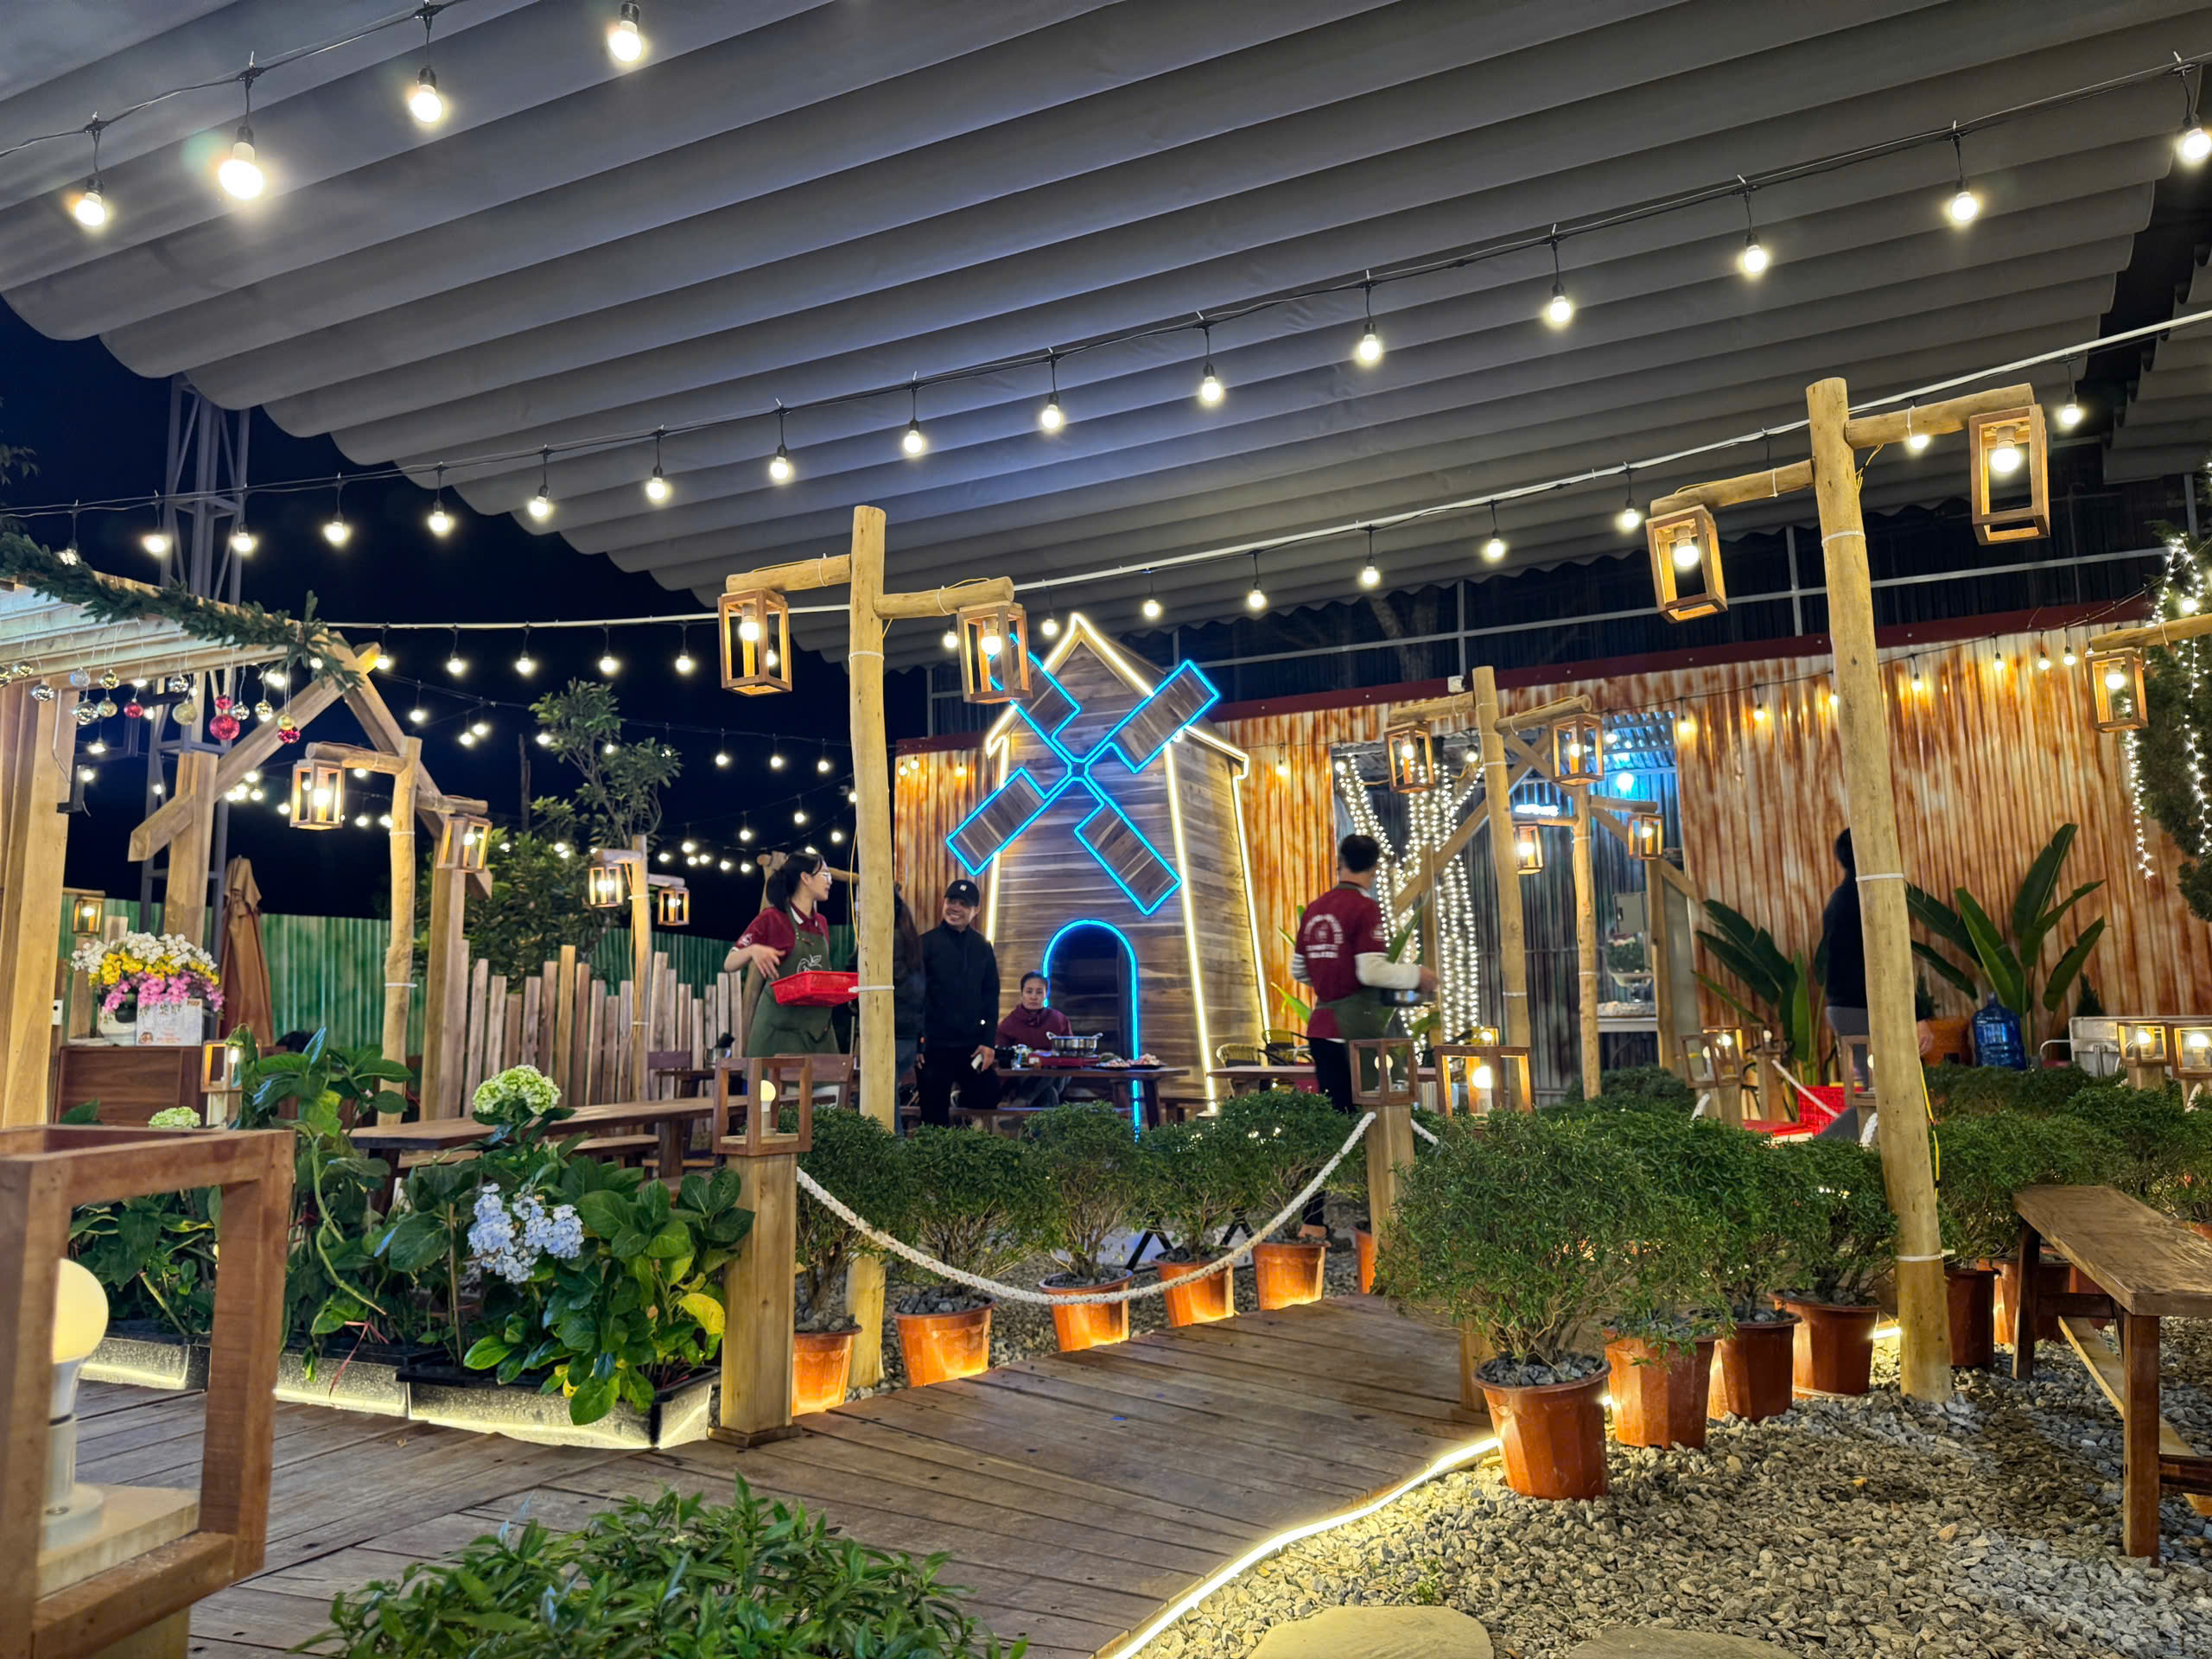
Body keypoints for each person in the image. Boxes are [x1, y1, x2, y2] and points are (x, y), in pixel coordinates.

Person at [1291, 834, 1436, 1230]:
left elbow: (1299, 970)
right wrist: (1417, 975)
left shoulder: (1316, 909)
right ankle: (1381, 1219)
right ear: (1374, 868)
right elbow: (1370, 970)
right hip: (1356, 1033)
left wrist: (1329, 980)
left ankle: (1313, 1221)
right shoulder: (1364, 907)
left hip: (1321, 1029)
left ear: (1340, 862)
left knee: (1331, 1125)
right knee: (1375, 1120)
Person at [728, 851, 844, 1058]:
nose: (830, 881)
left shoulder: (821, 923)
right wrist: (753, 950)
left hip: (819, 1032)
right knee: (778, 1081)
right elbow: (730, 963)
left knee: (832, 1079)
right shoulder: (772, 918)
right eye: (825, 875)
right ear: (805, 878)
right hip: (779, 1036)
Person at [918, 878, 1000, 1128]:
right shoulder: (925, 944)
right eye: (951, 901)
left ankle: (958, 1101)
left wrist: (988, 1042)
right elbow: (914, 997)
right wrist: (916, 1041)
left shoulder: (983, 947)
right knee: (934, 1119)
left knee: (990, 1095)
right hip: (933, 1048)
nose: (955, 908)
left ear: (976, 911)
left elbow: (991, 995)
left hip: (971, 1047)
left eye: (963, 904)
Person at [1815, 828, 1871, 1137]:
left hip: (1844, 1004)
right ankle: (1822, 1151)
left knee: (1879, 1092)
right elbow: (1873, 962)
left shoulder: (1843, 896)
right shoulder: (1860, 897)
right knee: (1882, 1094)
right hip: (1858, 1004)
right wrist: (1916, 1015)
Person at [997, 971, 1072, 1108]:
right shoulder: (1009, 1023)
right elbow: (1001, 1057)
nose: (1033, 997)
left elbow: (1071, 1052)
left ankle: (1021, 1104)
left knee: (1050, 1065)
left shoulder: (1059, 1019)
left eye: (1039, 992)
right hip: (1022, 1078)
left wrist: (1046, 1057)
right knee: (1048, 1093)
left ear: (1046, 994)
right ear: (1022, 994)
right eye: (1029, 991)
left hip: (1056, 1075)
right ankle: (1023, 1104)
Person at [891, 887, 925, 1129]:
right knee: (887, 1094)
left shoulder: (887, 939)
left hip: (891, 1031)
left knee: (882, 1098)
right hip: (909, 1035)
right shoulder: (911, 937)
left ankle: (894, 1144)